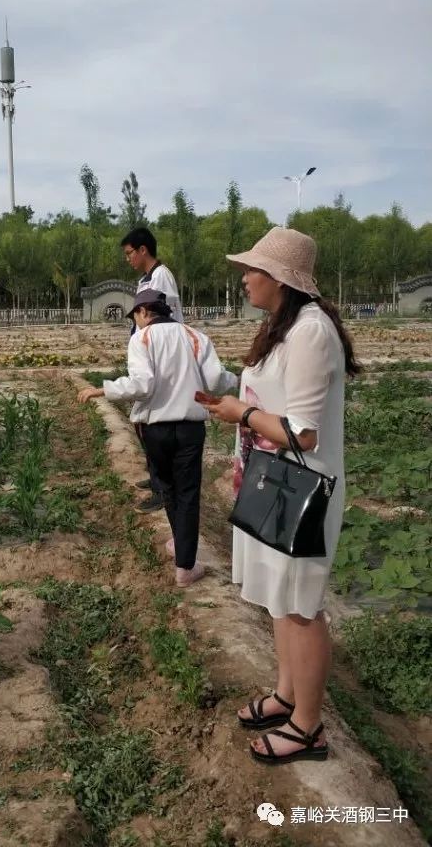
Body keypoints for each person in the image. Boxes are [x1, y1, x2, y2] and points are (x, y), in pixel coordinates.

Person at [206, 226, 361, 765]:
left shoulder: (310, 332)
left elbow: (305, 432)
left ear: (279, 279)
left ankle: (308, 727)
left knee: (301, 605)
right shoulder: (285, 325)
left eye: (252, 270)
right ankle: (287, 694)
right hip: (276, 480)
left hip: (303, 487)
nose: (245, 277)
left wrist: (240, 414)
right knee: (281, 597)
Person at [78, 288, 237, 587]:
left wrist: (105, 389)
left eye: (135, 316)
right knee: (188, 492)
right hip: (190, 428)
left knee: (167, 487)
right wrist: (236, 379)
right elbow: (216, 379)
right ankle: (185, 564)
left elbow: (143, 384)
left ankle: (181, 549)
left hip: (156, 429)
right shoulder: (195, 336)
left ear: (143, 312)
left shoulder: (142, 338)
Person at [121, 226, 185, 513]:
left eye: (129, 253)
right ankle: (156, 476)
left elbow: (166, 317)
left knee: (154, 426)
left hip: (160, 358)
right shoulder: (146, 279)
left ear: (143, 249)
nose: (128, 259)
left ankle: (164, 490)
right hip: (147, 355)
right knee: (144, 423)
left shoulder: (161, 276)